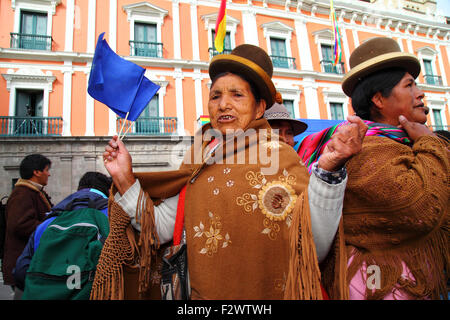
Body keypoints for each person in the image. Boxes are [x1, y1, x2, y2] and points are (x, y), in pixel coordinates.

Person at [93, 44, 367, 300]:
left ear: (260, 108)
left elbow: (313, 247)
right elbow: (161, 228)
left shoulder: (278, 156)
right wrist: (124, 178)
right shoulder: (198, 159)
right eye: (216, 96)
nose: (223, 104)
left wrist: (329, 169)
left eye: (237, 95)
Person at [299, 37, 449, 300]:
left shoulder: (407, 144)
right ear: (379, 99)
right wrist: (429, 141)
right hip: (380, 287)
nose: (421, 93)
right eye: (409, 85)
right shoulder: (368, 150)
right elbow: (421, 209)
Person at [13, 171, 112, 292]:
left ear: (79, 189)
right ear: (108, 191)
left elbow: (20, 272)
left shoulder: (48, 222)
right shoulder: (112, 218)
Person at [1, 154, 53, 299]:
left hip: (27, 263)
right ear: (36, 172)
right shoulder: (22, 194)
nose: (48, 173)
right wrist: (49, 227)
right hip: (22, 264)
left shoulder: (34, 192)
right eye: (46, 169)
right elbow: (20, 225)